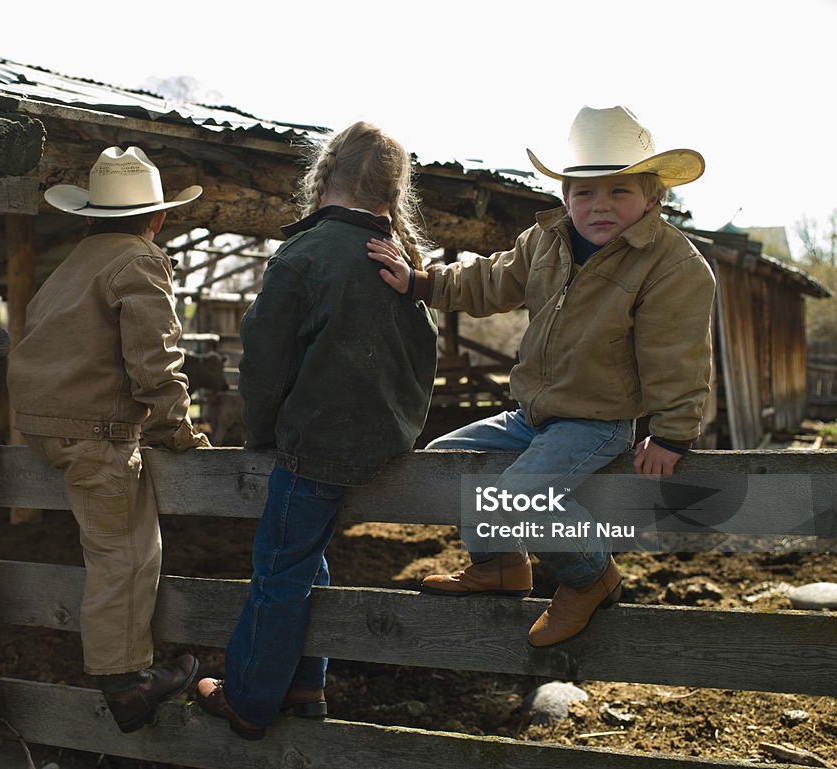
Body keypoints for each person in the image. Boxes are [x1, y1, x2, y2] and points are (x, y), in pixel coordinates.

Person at [367, 106, 715, 647]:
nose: (599, 206)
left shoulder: (673, 264)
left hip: (596, 420)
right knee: (448, 461)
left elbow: (679, 353)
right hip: (533, 414)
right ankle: (501, 564)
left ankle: (591, 575)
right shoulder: (547, 241)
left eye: (618, 192)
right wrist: (421, 283)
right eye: (584, 193)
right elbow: (488, 280)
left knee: (520, 498)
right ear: (564, 197)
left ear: (653, 197)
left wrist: (672, 433)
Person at [196, 121, 438, 739]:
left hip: (315, 445)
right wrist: (401, 423)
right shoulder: (398, 259)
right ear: (392, 190)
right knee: (308, 559)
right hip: (383, 441)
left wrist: (262, 431)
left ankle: (249, 698)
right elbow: (422, 352)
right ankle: (305, 685)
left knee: (279, 570)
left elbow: (264, 359)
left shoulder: (304, 255)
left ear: (323, 175)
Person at [7, 146, 211, 732]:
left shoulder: (74, 262)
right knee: (124, 555)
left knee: (115, 544)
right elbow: (155, 357)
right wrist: (178, 429)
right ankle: (126, 684)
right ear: (158, 217)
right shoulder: (140, 261)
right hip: (97, 430)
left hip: (48, 424)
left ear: (91, 214)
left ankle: (126, 672)